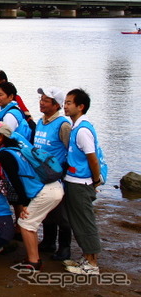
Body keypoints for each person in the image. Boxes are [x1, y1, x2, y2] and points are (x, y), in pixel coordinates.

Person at [0, 121, 63, 271]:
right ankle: (33, 258)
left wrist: (25, 203)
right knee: (29, 224)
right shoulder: (14, 148)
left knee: (26, 224)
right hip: (52, 187)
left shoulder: (5, 154)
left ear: (1, 137)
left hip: (46, 192)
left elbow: (15, 180)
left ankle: (33, 262)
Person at [62, 89, 105, 275]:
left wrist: (95, 181)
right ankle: (86, 257)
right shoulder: (76, 127)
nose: (65, 105)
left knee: (85, 221)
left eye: (69, 103)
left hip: (82, 183)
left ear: (81, 107)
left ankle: (92, 263)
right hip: (74, 181)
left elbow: (92, 159)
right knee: (78, 221)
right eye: (65, 102)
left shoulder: (83, 130)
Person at [35, 87, 72, 261]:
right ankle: (48, 242)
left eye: (45, 100)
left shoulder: (63, 125)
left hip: (58, 175)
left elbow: (70, 150)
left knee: (61, 214)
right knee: (47, 210)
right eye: (41, 99)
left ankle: (65, 248)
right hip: (43, 174)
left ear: (56, 105)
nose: (41, 102)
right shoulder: (41, 122)